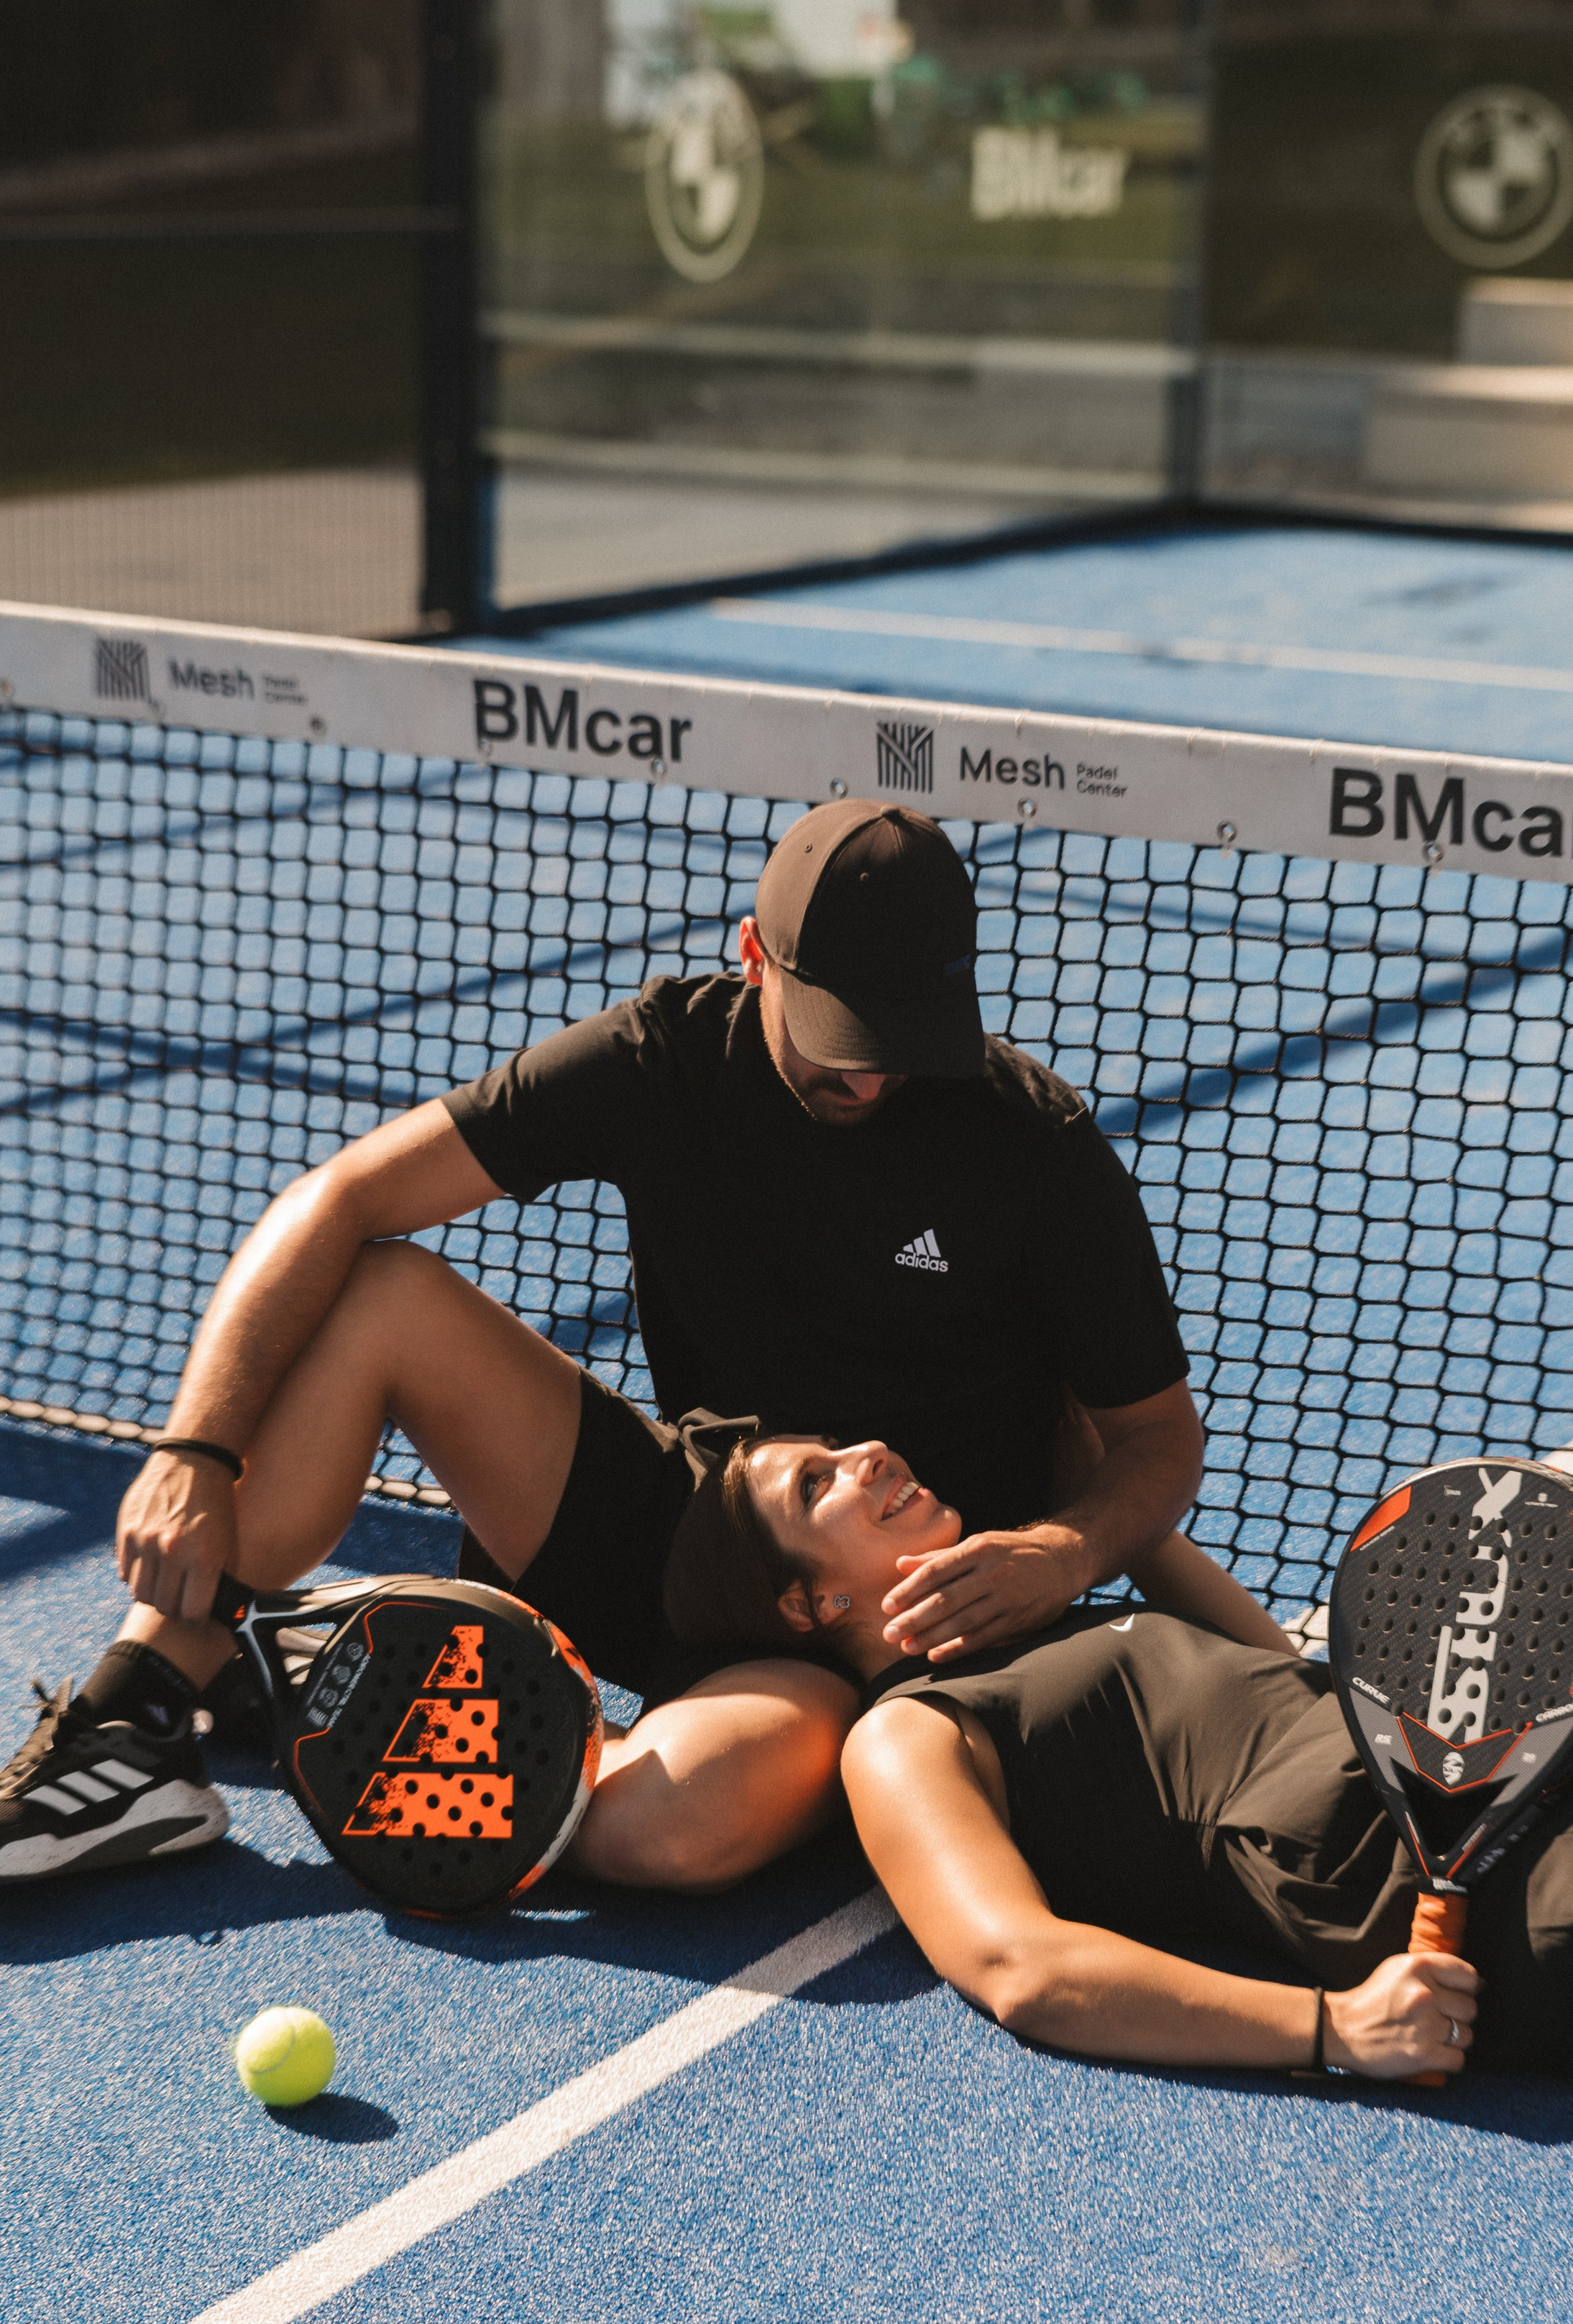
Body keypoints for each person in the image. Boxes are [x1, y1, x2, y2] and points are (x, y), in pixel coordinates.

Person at [1, 800, 1219, 1892]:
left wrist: (1062, 1555)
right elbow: (340, 1200)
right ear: (757, 961)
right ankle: (147, 1706)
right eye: (849, 1035)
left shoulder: (1034, 1149)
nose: (879, 1076)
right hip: (686, 1521)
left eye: (909, 1032)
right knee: (382, 1296)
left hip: (886, 1624)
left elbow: (1157, 1440)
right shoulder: (662, 1057)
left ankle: (348, 1674)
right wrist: (195, 1451)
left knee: (664, 1838)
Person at [658, 1427, 1573, 2079]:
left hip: (1512, 1784)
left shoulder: (1053, 1611)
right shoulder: (905, 1735)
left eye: (845, 1443)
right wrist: (1336, 2028)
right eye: (817, 1483)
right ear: (808, 1608)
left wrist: (1081, 1529)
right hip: (1495, 1887)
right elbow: (1022, 1967)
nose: (868, 1451)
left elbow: (1300, 1679)